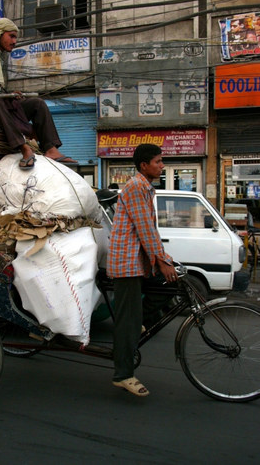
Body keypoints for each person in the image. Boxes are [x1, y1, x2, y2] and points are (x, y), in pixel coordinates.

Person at [0, 18, 77, 170]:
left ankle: (50, 148)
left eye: (15, 37)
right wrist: (4, 98)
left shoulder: (1, 56)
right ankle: (23, 147)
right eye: (11, 36)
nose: (14, 41)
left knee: (36, 103)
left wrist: (10, 95)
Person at [106, 144, 178, 397]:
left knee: (173, 284)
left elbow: (151, 230)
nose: (162, 165)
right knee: (127, 321)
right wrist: (162, 260)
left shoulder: (146, 188)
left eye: (162, 161)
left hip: (140, 261)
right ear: (144, 165)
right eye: (158, 162)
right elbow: (145, 228)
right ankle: (122, 375)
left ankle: (140, 321)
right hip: (127, 263)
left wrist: (164, 259)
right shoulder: (136, 187)